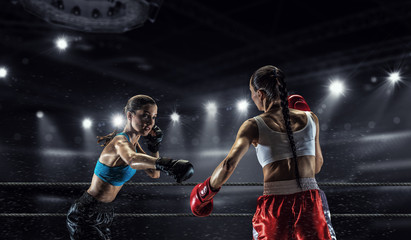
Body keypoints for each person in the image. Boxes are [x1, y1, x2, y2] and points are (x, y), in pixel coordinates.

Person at [190, 66, 335, 239]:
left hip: (276, 205)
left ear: (260, 94)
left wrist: (205, 193)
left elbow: (229, 164)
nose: (252, 98)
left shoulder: (253, 125)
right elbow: (317, 166)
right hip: (311, 202)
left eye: (251, 93)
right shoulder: (311, 118)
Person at [67, 94, 194, 240]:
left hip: (105, 213)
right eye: (145, 116)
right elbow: (132, 160)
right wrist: (169, 163)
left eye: (153, 117)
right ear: (129, 115)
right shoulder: (120, 141)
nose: (150, 122)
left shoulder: (134, 145)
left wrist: (154, 147)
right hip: (85, 214)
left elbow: (154, 174)